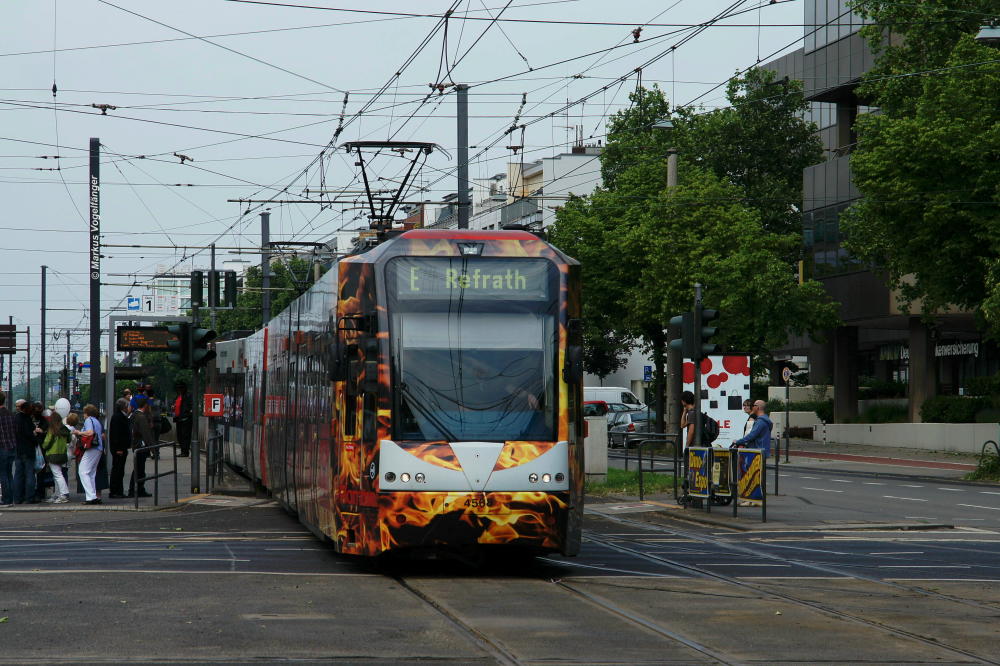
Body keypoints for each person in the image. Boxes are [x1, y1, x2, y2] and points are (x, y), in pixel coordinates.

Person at [73, 404, 105, 505]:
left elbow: (90, 433)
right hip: (99, 448)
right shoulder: (97, 421)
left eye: (84, 413)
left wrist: (78, 432)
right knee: (91, 473)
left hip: (92, 448)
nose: (83, 415)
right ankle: (93, 496)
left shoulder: (89, 420)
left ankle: (91, 497)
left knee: (82, 471)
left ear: (87, 413)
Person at [12, 399, 40, 504]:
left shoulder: (16, 418)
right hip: (28, 450)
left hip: (18, 450)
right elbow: (30, 434)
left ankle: (17, 498)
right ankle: (29, 497)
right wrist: (35, 437)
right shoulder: (27, 419)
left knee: (18, 475)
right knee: (29, 474)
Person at [40, 412, 71, 503]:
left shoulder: (52, 430)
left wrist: (43, 446)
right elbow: (68, 439)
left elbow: (46, 443)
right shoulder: (64, 429)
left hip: (53, 454)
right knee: (58, 474)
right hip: (62, 453)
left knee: (57, 475)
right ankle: (57, 494)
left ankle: (63, 494)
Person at [128, 396, 155, 498]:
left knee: (138, 469)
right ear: (145, 405)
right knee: (139, 469)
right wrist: (153, 449)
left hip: (136, 445)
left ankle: (138, 489)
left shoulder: (134, 415)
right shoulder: (141, 417)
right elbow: (146, 434)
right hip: (141, 446)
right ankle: (136, 490)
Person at [108, 398, 132, 498]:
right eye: (127, 406)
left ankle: (118, 490)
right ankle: (115, 491)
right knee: (118, 470)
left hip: (121, 448)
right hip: (119, 449)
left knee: (119, 470)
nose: (129, 407)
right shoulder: (118, 417)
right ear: (124, 407)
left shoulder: (120, 416)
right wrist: (119, 448)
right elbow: (116, 434)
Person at [0, 391, 16, 506]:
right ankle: (10, 499)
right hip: (12, 447)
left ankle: (6, 499)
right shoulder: (11, 414)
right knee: (9, 473)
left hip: (2, 447)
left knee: (3, 474)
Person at [173, 382, 192, 457]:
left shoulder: (188, 395)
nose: (179, 389)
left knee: (185, 436)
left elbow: (191, 405)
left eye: (181, 388)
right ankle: (183, 450)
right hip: (179, 419)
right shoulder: (178, 396)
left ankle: (185, 451)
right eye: (178, 388)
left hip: (186, 419)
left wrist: (187, 412)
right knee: (179, 436)